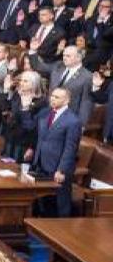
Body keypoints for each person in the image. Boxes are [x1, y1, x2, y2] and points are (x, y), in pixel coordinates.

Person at [28, 87, 83, 217]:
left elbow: (70, 148)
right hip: (41, 163)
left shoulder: (73, 121)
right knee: (42, 200)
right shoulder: (45, 113)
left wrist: (62, 170)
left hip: (57, 166)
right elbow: (36, 133)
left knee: (59, 202)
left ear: (67, 100)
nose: (52, 99)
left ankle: (62, 230)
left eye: (57, 97)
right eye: (52, 96)